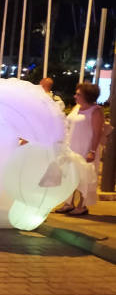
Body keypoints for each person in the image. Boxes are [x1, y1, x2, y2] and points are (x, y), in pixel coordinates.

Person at [55, 83, 104, 215]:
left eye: (78, 94)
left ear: (87, 96)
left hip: (86, 148)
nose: (75, 96)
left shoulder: (95, 111)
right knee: (70, 175)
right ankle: (68, 203)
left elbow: (97, 133)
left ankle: (82, 206)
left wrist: (92, 151)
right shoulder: (77, 107)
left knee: (84, 176)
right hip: (71, 147)